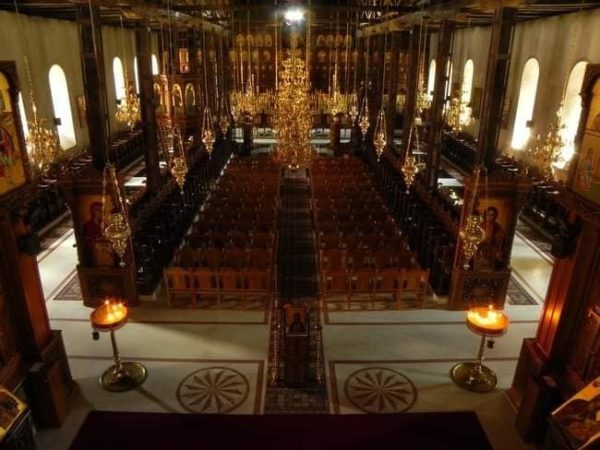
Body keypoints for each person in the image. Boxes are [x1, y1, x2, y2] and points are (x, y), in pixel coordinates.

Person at [474, 206, 505, 271]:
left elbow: (500, 242)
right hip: (480, 251)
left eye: (491, 215)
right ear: (485, 215)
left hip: (491, 252)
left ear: (495, 216)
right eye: (488, 214)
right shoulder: (480, 226)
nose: (489, 217)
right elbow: (476, 239)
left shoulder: (497, 228)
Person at [83, 202, 104, 266]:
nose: (100, 212)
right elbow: (86, 239)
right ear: (93, 211)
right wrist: (96, 239)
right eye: (98, 210)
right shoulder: (87, 225)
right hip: (93, 251)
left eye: (101, 211)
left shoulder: (104, 225)